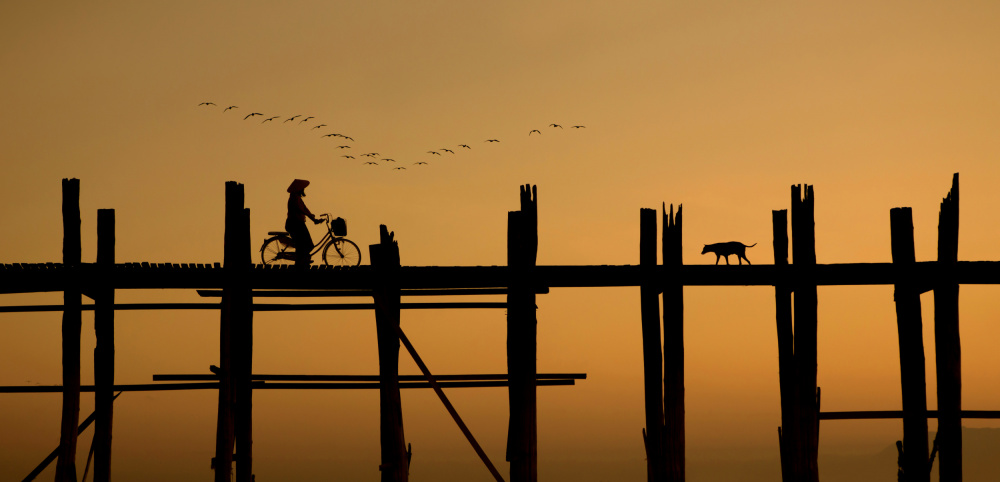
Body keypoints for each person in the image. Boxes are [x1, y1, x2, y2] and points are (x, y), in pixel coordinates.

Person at [285, 179, 323, 267]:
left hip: (298, 224)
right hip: (295, 224)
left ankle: (302, 260)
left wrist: (313, 219)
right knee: (306, 245)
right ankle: (301, 261)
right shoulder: (294, 198)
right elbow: (301, 210)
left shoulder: (297, 198)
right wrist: (311, 217)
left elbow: (305, 209)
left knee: (304, 245)